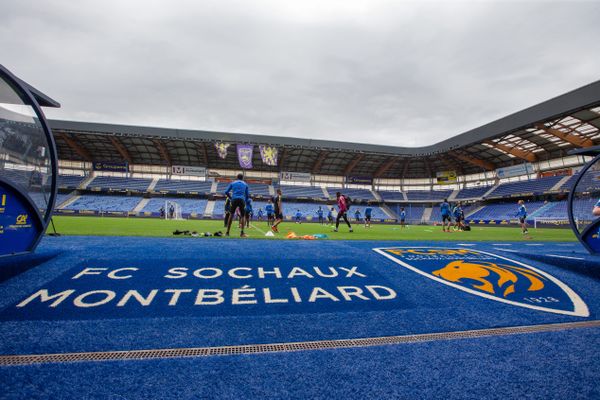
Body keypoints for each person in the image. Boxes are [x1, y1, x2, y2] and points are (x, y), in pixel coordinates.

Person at [223, 173, 249, 237]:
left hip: (234, 199)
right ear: (242, 178)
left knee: (231, 215)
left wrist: (230, 198)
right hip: (242, 200)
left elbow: (226, 192)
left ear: (237, 177)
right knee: (243, 216)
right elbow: (247, 195)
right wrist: (244, 201)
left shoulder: (233, 183)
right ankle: (242, 233)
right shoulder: (245, 184)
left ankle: (227, 232)